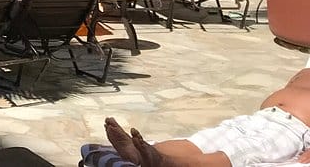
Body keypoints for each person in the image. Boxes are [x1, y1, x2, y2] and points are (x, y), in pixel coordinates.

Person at [100, 68, 310, 166]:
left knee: (240, 151)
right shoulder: (305, 69)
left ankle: (167, 163)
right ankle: (142, 153)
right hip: (257, 118)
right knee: (203, 140)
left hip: (291, 129)